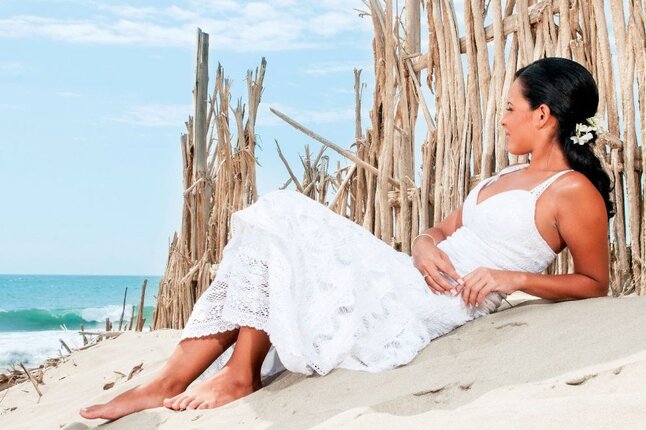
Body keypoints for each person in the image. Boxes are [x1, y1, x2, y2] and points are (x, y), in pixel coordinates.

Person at [80, 57, 613, 420]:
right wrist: (426, 245)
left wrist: (512, 278)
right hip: (411, 273)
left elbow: (595, 283)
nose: (502, 121)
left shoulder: (572, 191)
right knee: (273, 228)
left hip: (435, 304)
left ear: (543, 116)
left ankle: (237, 376)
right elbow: (439, 231)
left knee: (283, 215)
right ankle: (169, 380)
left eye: (510, 109)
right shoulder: (502, 177)